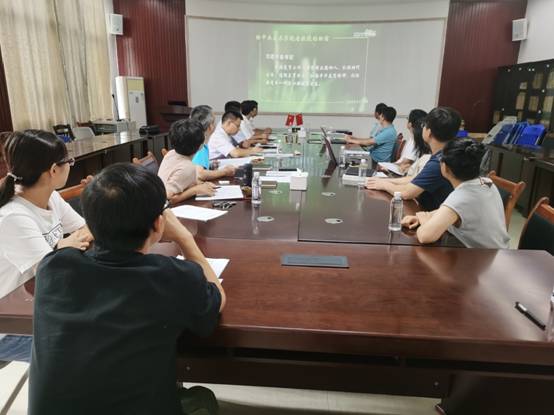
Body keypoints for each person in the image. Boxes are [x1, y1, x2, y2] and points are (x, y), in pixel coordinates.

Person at [29, 163, 226, 415]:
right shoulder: (173, 276)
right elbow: (218, 298)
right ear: (159, 224)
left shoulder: (52, 266)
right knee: (202, 398)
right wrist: (184, 238)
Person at [0, 130, 92, 362]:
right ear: (53, 170)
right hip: (12, 325)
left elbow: (87, 230)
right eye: (69, 160)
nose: (70, 164)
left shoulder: (50, 197)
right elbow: (50, 271)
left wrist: (61, 247)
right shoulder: (13, 216)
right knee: (91, 344)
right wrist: (63, 246)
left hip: (40, 303)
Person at [401, 139, 510, 248]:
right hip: (500, 252)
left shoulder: (460, 197)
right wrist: (426, 216)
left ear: (445, 167)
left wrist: (424, 220)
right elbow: (450, 211)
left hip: (480, 256)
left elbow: (424, 236)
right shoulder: (487, 183)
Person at [365, 107, 461, 211]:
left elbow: (406, 193)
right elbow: (415, 179)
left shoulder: (438, 162)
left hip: (429, 212)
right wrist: (386, 180)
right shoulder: (444, 155)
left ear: (429, 132)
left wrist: (383, 185)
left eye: (424, 125)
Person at [158, 119, 219, 204]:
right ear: (201, 145)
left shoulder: (171, 153)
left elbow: (181, 180)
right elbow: (168, 198)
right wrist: (195, 190)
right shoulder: (188, 167)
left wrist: (200, 185)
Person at [190, 105, 237, 181]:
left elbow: (195, 166)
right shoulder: (200, 145)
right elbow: (200, 174)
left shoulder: (193, 140)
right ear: (210, 126)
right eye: (213, 122)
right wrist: (225, 172)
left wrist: (209, 165)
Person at [394, 109, 429, 173]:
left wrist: (390, 166)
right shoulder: (413, 138)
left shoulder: (416, 141)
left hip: (401, 171)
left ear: (410, 124)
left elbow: (406, 162)